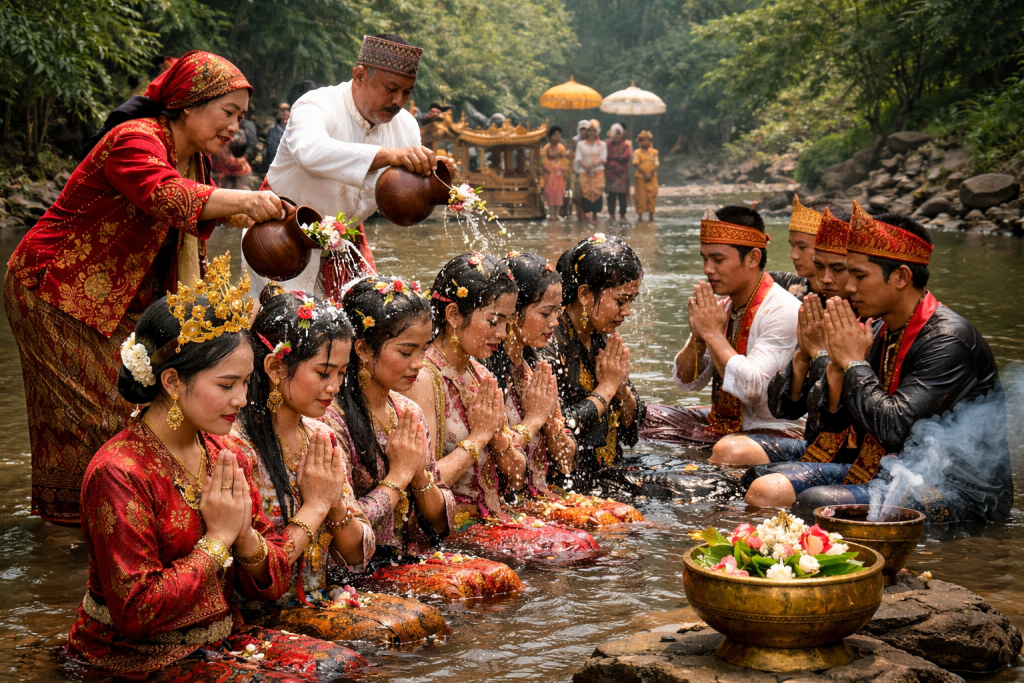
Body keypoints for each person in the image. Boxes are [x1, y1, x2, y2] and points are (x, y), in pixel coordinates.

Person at [5, 50, 285, 525]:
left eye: (241, 116)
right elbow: (166, 195)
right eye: (229, 112)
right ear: (189, 104)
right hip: (55, 290)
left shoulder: (192, 159)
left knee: (134, 401)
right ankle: (82, 527)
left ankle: (107, 521)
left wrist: (233, 212)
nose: (235, 127)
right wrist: (247, 199)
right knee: (97, 412)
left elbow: (186, 221)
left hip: (118, 297)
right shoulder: (134, 139)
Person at [64, 255, 365, 679]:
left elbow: (271, 579)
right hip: (134, 655)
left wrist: (244, 540)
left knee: (347, 667)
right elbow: (136, 612)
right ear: (171, 382)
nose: (242, 399)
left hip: (220, 635)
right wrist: (219, 539)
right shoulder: (119, 471)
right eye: (226, 385)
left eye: (244, 383)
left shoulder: (227, 453)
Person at [743, 212, 1012, 523]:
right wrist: (830, 368)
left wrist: (853, 362)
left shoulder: (949, 341)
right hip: (891, 469)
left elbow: (893, 430)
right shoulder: (881, 327)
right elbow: (829, 427)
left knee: (813, 502)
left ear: (900, 277)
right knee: (758, 478)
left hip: (957, 491)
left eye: (859, 276)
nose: (848, 286)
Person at [231, 287, 447, 644]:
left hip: (324, 597)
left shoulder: (320, 435)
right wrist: (316, 506)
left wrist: (334, 507)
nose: (334, 387)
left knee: (427, 623)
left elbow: (358, 550)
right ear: (274, 366)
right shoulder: (238, 448)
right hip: (261, 611)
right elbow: (255, 578)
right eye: (323, 372)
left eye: (342, 373)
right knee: (382, 640)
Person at [324, 276, 524, 598]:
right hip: (351, 579)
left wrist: (419, 477)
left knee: (499, 580)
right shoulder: (332, 421)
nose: (419, 363)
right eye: (406, 352)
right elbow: (348, 539)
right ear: (362, 349)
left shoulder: (406, 410)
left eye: (423, 348)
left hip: (407, 560)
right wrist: (399, 476)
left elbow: (441, 519)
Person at [405, 253, 601, 560]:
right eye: (494, 321)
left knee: (587, 544)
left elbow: (516, 476)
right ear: (454, 314)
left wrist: (503, 440)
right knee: (574, 548)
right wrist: (481, 437)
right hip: (452, 531)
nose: (502, 333)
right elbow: (421, 483)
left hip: (493, 518)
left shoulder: (480, 374)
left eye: (508, 321)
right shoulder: (424, 378)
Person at [250, 34, 457, 297]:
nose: (398, 101)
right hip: (279, 238)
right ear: (359, 76)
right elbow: (309, 152)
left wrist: (433, 181)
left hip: (344, 243)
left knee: (366, 326)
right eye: (391, 89)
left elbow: (399, 202)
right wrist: (387, 155)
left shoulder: (406, 126)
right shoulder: (314, 104)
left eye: (406, 92)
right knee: (289, 328)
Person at [487, 251, 644, 526]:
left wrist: (554, 425)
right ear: (512, 314)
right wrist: (605, 390)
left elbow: (566, 459)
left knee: (629, 520)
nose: (555, 322)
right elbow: (500, 466)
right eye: (547, 313)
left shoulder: (536, 363)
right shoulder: (492, 371)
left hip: (550, 488)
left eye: (557, 312)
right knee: (605, 531)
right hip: (505, 503)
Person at [641, 206, 802, 452]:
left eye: (718, 259)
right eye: (705, 259)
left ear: (753, 258)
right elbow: (687, 382)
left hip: (778, 430)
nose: (707, 269)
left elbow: (753, 391)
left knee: (729, 450)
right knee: (641, 416)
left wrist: (714, 334)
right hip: (725, 425)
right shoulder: (723, 308)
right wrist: (698, 337)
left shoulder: (783, 310)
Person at [714, 207, 853, 466]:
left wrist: (819, 354)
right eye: (820, 266)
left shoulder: (867, 312)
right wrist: (802, 357)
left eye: (802, 247)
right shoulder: (786, 285)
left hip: (829, 440)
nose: (794, 256)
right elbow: (784, 406)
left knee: (731, 454)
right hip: (807, 427)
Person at [539, 235, 646, 491]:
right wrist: (607, 389)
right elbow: (559, 428)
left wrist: (621, 390)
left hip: (607, 468)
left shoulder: (600, 337)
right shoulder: (548, 344)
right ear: (585, 294)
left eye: (632, 300)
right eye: (620, 301)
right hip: (573, 480)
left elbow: (633, 425)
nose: (628, 311)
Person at [770, 196, 856, 302]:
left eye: (802, 247)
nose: (793, 255)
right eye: (793, 246)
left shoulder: (866, 306)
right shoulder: (782, 285)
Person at [574, 120, 606, 221]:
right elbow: (578, 157)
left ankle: (595, 215)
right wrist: (586, 166)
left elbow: (603, 157)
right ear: (587, 132)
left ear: (597, 132)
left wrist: (592, 165)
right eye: (590, 131)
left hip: (598, 171)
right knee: (586, 193)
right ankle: (585, 213)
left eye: (594, 131)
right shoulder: (581, 144)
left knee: (597, 192)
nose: (592, 133)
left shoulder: (602, 144)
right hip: (584, 172)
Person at [604, 123, 632, 221]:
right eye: (614, 133)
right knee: (611, 195)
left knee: (622, 195)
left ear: (622, 135)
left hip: (622, 175)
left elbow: (627, 157)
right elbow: (606, 156)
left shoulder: (626, 146)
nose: (616, 136)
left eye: (618, 133)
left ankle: (622, 215)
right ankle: (611, 214)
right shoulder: (607, 145)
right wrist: (618, 160)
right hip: (611, 174)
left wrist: (614, 158)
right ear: (610, 134)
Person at [541, 126, 567, 220]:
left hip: (559, 173)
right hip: (550, 174)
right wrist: (552, 168)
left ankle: (557, 213)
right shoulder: (546, 148)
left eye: (559, 134)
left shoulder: (561, 147)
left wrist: (560, 167)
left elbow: (565, 160)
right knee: (550, 192)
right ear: (550, 136)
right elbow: (544, 160)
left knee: (559, 192)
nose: (557, 136)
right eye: (555, 134)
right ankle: (552, 214)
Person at [632, 131, 659, 220]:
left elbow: (656, 164)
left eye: (648, 140)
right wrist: (644, 174)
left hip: (652, 177)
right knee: (640, 197)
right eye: (644, 140)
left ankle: (651, 215)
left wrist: (650, 174)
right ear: (639, 142)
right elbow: (635, 163)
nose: (646, 142)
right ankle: (640, 216)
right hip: (640, 177)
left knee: (652, 195)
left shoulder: (654, 152)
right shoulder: (637, 152)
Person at [263, 102, 290, 171]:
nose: (285, 112)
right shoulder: (272, 128)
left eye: (287, 109)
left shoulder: (292, 126)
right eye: (282, 110)